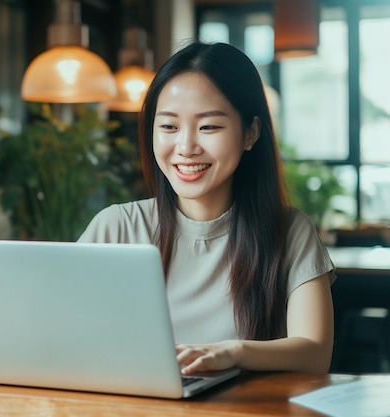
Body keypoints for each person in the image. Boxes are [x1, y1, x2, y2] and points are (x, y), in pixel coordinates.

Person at [78, 41, 335, 374]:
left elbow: (315, 354)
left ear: (250, 133)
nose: (185, 147)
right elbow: (62, 338)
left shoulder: (288, 230)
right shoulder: (116, 227)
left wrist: (233, 352)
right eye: (169, 127)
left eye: (208, 127)